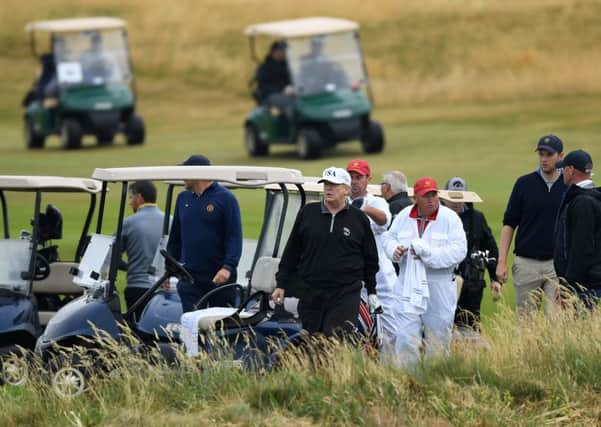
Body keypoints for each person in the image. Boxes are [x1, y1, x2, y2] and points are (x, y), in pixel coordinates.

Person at [272, 166, 380, 337]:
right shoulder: (308, 213)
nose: (328, 189)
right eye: (326, 184)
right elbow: (292, 251)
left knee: (336, 337)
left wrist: (372, 290)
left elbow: (370, 258)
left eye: (334, 185)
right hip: (311, 291)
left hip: (345, 292)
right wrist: (281, 284)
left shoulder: (358, 218)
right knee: (312, 340)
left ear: (346, 189)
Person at [382, 177, 467, 366]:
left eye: (434, 195)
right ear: (415, 198)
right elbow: (388, 239)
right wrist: (394, 251)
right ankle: (407, 381)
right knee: (405, 336)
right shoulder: (404, 216)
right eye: (425, 196)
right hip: (407, 282)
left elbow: (459, 250)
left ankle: (434, 383)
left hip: (439, 283)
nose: (431, 200)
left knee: (438, 339)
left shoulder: (450, 218)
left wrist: (429, 255)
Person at [496, 135, 567, 317]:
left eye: (549, 155)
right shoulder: (524, 183)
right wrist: (502, 261)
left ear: (560, 156)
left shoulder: (567, 186)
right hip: (526, 263)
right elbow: (509, 224)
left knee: (557, 323)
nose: (544, 159)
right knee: (526, 325)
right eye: (541, 154)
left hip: (557, 265)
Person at [167, 154, 243, 313]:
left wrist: (228, 267)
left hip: (219, 277)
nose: (182, 177)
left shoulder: (226, 198)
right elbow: (175, 238)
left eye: (185, 172)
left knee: (221, 326)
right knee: (191, 324)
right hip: (190, 277)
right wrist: (168, 269)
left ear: (197, 174)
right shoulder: (183, 198)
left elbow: (234, 236)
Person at [346, 160, 397, 346]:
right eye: (351, 177)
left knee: (391, 331)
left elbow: (384, 220)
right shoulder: (340, 202)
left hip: (380, 278)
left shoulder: (377, 202)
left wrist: (363, 208)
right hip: (352, 279)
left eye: (358, 177)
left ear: (368, 179)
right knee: (357, 331)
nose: (354, 181)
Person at [443, 176, 501, 333]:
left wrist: (495, 278)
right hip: (442, 284)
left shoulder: (477, 218)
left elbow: (490, 248)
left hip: (471, 287)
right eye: (451, 198)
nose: (455, 202)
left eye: (460, 198)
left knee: (470, 329)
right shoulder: (437, 218)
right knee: (442, 327)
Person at [553, 149, 601, 306]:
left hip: (584, 286)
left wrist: (568, 286)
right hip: (590, 282)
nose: (562, 174)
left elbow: (581, 248)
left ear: (570, 170)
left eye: (563, 169)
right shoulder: (590, 198)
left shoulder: (583, 202)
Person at [119, 181, 165, 318]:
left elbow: (113, 258)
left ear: (139, 197)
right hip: (163, 290)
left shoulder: (128, 223)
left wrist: (130, 266)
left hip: (137, 288)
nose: (130, 203)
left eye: (131, 198)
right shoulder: (171, 220)